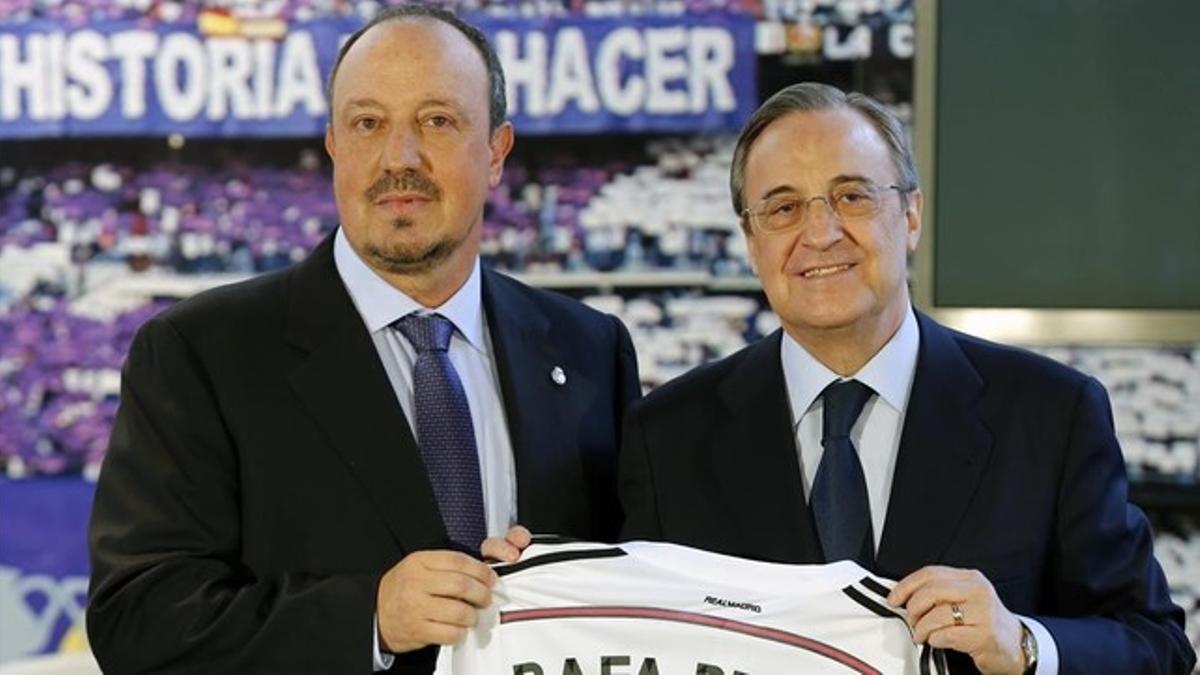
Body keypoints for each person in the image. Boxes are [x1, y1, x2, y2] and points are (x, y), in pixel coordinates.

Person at [491, 82, 1194, 674]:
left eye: (852, 196)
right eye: (784, 207)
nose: (820, 232)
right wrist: (533, 585)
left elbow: (1157, 644)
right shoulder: (667, 435)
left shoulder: (1051, 413)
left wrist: (1024, 643)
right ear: (751, 240)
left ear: (911, 214)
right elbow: (626, 628)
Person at [86, 6, 640, 673]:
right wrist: (368, 617)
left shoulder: (588, 350)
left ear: (496, 152)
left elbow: (643, 589)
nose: (398, 158)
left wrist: (573, 577)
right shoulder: (198, 353)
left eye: (437, 120)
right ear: (334, 147)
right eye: (368, 123)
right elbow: (138, 618)